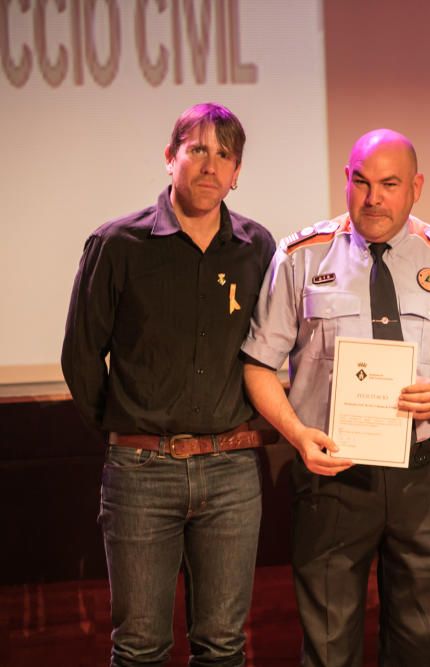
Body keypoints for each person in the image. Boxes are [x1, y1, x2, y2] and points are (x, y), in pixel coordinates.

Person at [241, 129, 430, 667]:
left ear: (416, 187)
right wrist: (297, 436)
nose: (373, 196)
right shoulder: (300, 256)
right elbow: (259, 367)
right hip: (334, 473)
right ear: (346, 181)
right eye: (361, 181)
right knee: (329, 647)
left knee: (425, 647)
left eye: (389, 184)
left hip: (426, 474)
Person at [61, 103, 276, 666]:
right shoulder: (117, 245)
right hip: (140, 474)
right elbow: (82, 358)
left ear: (237, 173)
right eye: (197, 149)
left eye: (224, 155)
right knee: (139, 650)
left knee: (224, 647)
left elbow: (275, 353)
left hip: (232, 473)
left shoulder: (258, 249)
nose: (210, 165)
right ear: (170, 157)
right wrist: (128, 430)